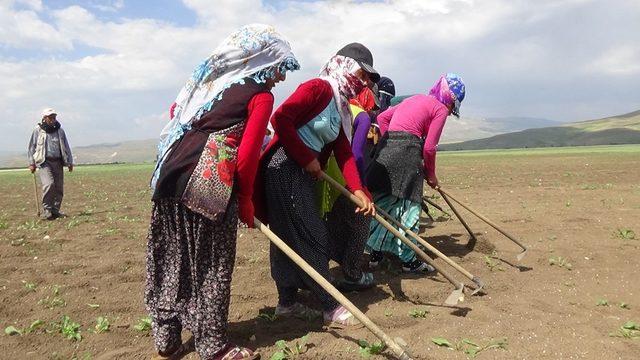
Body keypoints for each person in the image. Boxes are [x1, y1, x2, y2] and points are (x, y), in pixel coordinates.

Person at [146, 24, 299, 360]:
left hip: (170, 172)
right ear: (260, 61)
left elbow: (175, 115)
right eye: (278, 68)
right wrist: (245, 200)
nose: (280, 78)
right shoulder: (261, 96)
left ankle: (167, 339)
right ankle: (213, 345)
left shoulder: (207, 84)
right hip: (207, 182)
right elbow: (246, 156)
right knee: (213, 263)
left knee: (171, 257)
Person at [255, 43, 377, 327]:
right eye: (361, 74)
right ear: (344, 65)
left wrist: (358, 189)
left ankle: (286, 303)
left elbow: (343, 151)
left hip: (300, 169)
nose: (363, 82)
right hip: (284, 165)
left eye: (366, 78)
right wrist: (305, 157)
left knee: (287, 236)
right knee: (313, 235)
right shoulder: (319, 88)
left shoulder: (341, 105)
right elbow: (281, 119)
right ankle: (330, 306)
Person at [366, 73, 465, 272]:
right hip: (408, 155)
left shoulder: (414, 99)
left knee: (384, 203)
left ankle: (375, 255)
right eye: (453, 105)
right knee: (409, 207)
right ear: (449, 98)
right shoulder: (439, 109)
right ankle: (409, 261)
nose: (450, 109)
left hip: (385, 151)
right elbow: (429, 148)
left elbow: (383, 118)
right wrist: (431, 174)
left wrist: (391, 140)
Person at [318, 86, 377, 292]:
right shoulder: (361, 116)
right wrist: (361, 188)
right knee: (362, 219)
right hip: (341, 176)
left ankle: (326, 268)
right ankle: (352, 273)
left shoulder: (338, 107)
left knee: (328, 221)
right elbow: (356, 155)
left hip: (323, 172)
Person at [27, 108, 73, 220]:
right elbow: (32, 147)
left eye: (54, 117)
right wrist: (31, 163)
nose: (53, 119)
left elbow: (66, 146)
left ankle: (55, 210)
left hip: (58, 161)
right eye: (50, 117)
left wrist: (70, 162)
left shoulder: (60, 130)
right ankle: (47, 210)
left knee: (58, 187)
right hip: (44, 161)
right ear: (44, 118)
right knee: (49, 184)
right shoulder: (38, 130)